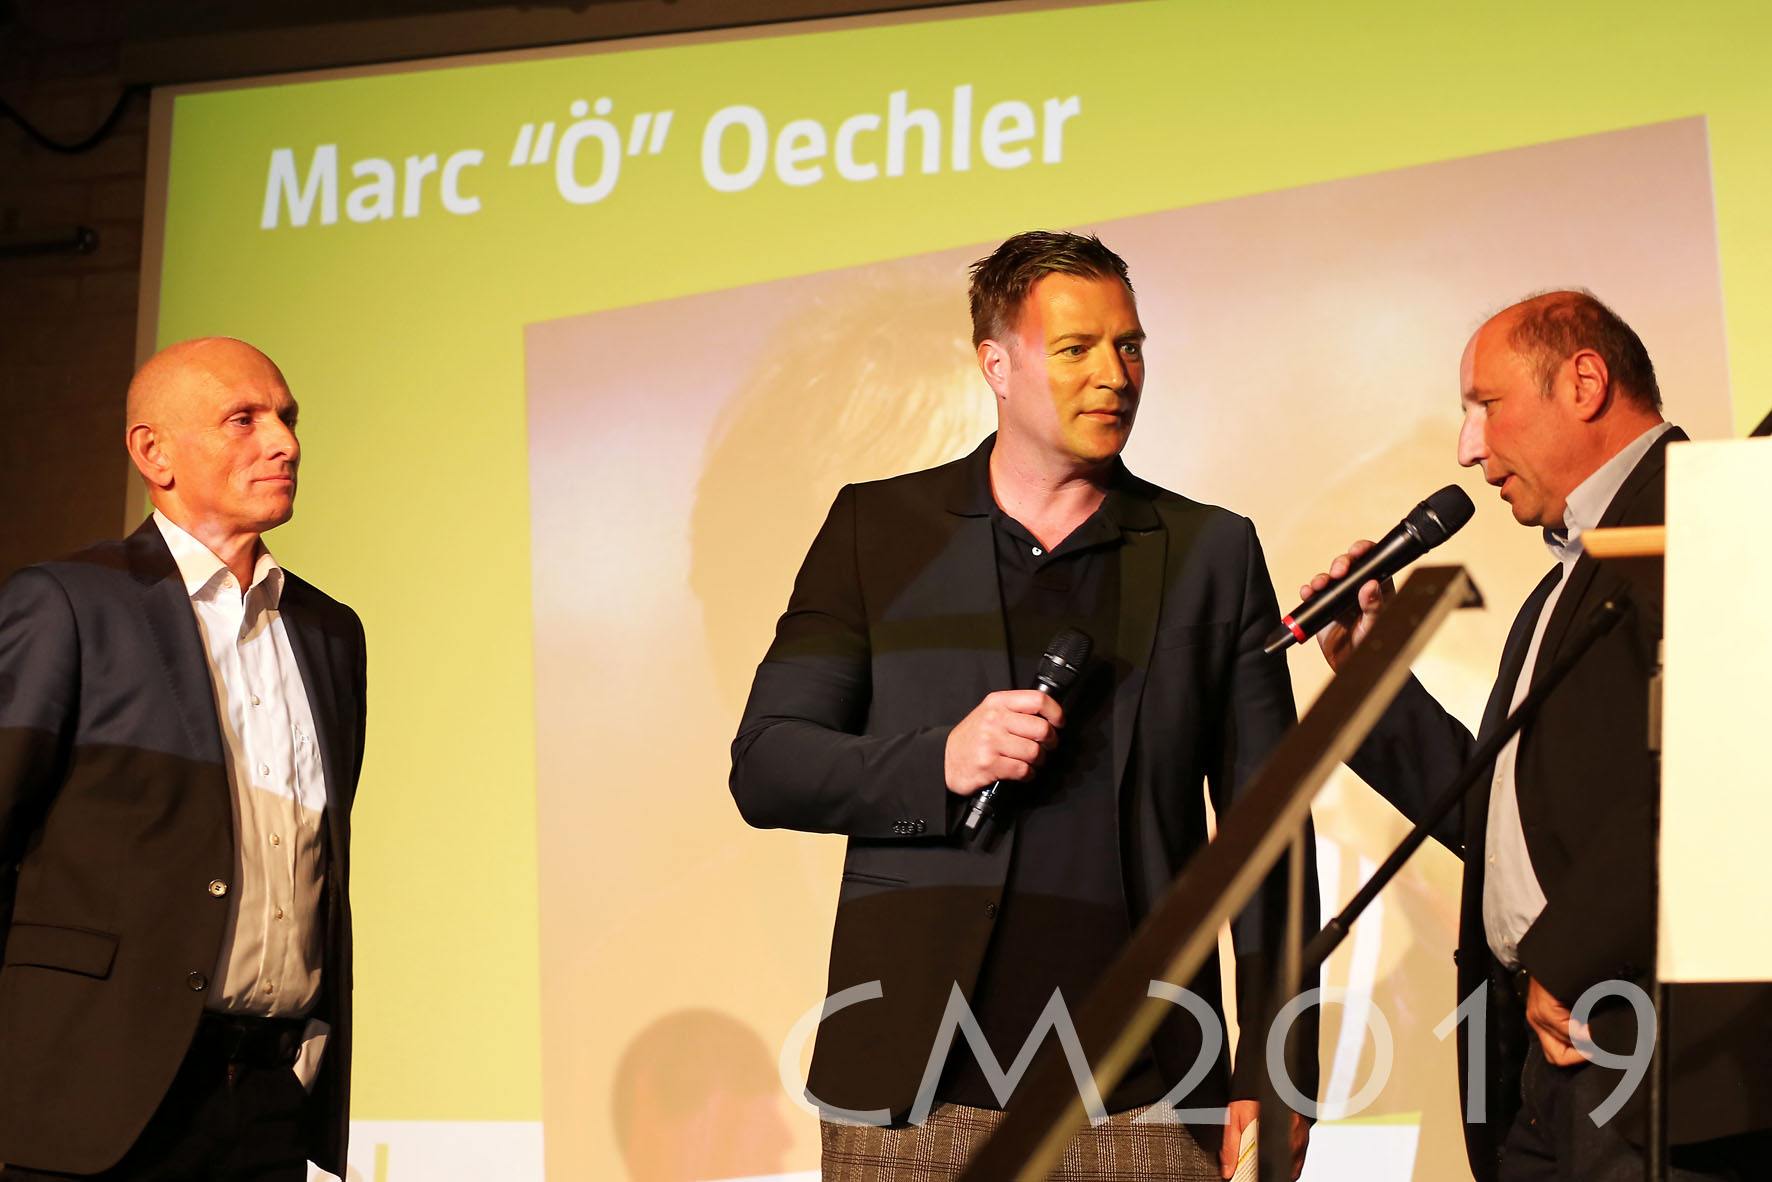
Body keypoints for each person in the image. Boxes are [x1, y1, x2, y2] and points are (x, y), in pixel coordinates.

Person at [731, 231, 1316, 1180]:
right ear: (995, 365)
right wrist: (941, 761)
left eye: (1129, 346)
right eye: (1076, 349)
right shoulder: (878, 531)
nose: (1114, 376)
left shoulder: (1210, 551)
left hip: (1147, 1095)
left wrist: (1279, 1065)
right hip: (916, 1098)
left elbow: (1270, 829)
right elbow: (768, 763)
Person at [1301, 291, 1772, 1180]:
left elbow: (1725, 780)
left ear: (1584, 383)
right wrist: (1371, 680)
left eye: (1486, 405)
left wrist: (1569, 951)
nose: (1468, 447)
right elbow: (1495, 819)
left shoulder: (1711, 519)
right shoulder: (1560, 584)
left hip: (1654, 1054)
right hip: (1545, 1062)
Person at [0, 338, 366, 1180]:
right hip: (91, 1097)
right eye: (244, 419)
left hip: (267, 1099)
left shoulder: (330, 633)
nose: (284, 442)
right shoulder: (68, 605)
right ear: (152, 453)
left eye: (287, 418)